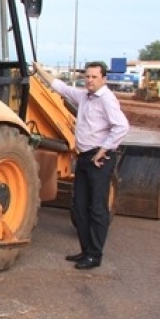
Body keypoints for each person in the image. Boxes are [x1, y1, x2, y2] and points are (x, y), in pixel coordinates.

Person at [32, 61, 130, 270]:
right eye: (87, 76)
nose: (89, 80)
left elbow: (121, 127)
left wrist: (103, 150)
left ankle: (95, 255)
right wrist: (40, 71)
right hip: (84, 158)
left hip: (99, 159)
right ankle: (85, 251)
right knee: (79, 207)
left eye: (94, 77)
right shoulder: (84, 96)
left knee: (97, 208)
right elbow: (61, 88)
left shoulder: (107, 99)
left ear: (103, 79)